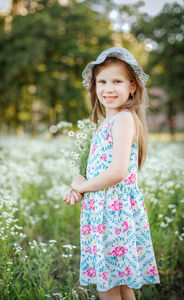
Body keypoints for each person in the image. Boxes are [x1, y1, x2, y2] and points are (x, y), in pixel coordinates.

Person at [63, 47, 160, 300]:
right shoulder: (106, 123)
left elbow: (117, 172)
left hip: (113, 214)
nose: (108, 88)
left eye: (117, 81)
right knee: (120, 283)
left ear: (133, 87)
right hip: (105, 210)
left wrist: (83, 187)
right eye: (102, 81)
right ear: (93, 86)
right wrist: (78, 181)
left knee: (107, 285)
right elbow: (98, 170)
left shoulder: (124, 120)